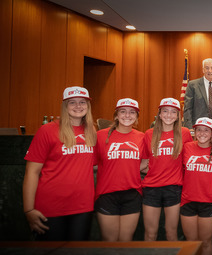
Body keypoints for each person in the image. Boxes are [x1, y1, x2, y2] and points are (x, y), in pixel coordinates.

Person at [23, 86, 97, 241]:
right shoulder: (47, 130)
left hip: (83, 207)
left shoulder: (92, 131)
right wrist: (28, 209)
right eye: (72, 102)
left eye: (82, 102)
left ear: (88, 106)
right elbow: (32, 172)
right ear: (65, 106)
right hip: (51, 207)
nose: (78, 106)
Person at [94, 98, 145, 241]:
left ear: (136, 117)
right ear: (116, 115)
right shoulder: (100, 136)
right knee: (109, 242)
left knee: (126, 241)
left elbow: (146, 162)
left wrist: (130, 169)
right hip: (107, 194)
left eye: (132, 112)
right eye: (123, 111)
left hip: (132, 194)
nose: (127, 115)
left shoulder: (142, 137)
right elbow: (92, 163)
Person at [141, 98, 192, 241]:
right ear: (160, 114)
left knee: (171, 233)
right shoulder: (149, 134)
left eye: (173, 112)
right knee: (150, 234)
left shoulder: (185, 133)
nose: (169, 115)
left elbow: (187, 162)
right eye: (165, 111)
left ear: (178, 116)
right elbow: (144, 164)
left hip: (174, 189)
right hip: (151, 188)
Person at [181, 117, 212, 255]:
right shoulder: (187, 147)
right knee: (191, 242)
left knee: (205, 242)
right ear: (194, 132)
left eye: (206, 130)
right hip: (188, 200)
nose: (202, 133)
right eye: (199, 130)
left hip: (208, 202)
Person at [183, 58, 212, 127]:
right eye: (207, 68)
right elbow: (187, 108)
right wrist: (189, 127)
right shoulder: (193, 85)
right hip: (199, 124)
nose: (210, 71)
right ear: (203, 70)